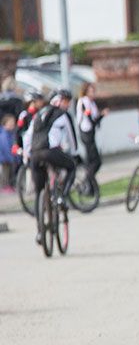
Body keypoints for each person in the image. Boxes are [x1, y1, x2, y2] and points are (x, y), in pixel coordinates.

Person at [29, 89, 78, 242]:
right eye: (66, 101)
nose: (68, 104)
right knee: (71, 167)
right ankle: (62, 197)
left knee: (39, 193)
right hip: (51, 152)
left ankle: (39, 232)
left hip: (35, 154)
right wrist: (74, 154)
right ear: (60, 101)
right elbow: (72, 138)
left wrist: (26, 156)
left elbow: (28, 135)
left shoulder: (39, 113)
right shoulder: (63, 114)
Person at [76, 82, 109, 178]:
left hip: (91, 132)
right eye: (90, 91)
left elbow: (94, 119)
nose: (92, 93)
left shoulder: (91, 103)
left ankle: (89, 181)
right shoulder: (84, 102)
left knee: (92, 161)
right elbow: (91, 120)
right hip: (86, 133)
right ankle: (89, 180)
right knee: (95, 161)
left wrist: (101, 115)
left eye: (93, 91)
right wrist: (102, 115)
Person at [0, 114, 15, 190]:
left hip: (8, 156)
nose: (13, 125)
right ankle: (4, 186)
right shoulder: (4, 134)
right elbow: (5, 147)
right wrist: (11, 157)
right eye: (11, 123)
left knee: (8, 172)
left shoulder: (9, 133)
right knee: (5, 172)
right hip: (4, 157)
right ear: (5, 124)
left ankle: (8, 185)